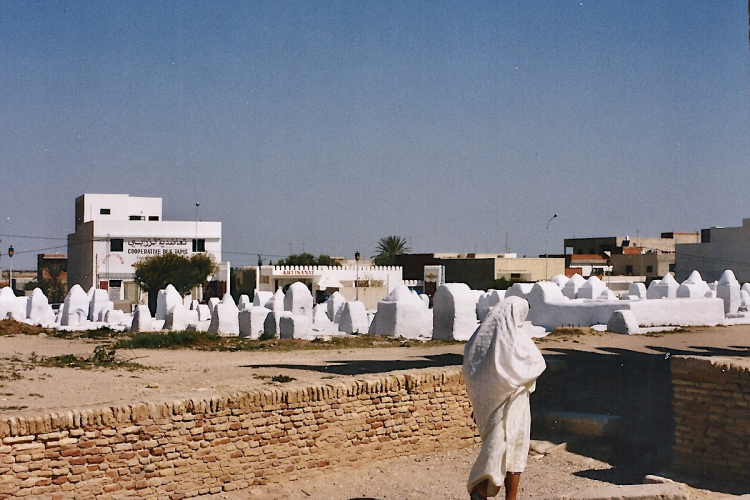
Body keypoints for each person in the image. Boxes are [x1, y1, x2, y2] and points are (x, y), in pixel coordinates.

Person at [462, 296, 546, 500]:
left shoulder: (479, 339)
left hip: (487, 407)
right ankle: (494, 492)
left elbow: (472, 373)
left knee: (495, 446)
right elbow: (537, 365)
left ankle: (481, 489)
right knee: (513, 450)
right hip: (513, 404)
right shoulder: (517, 339)